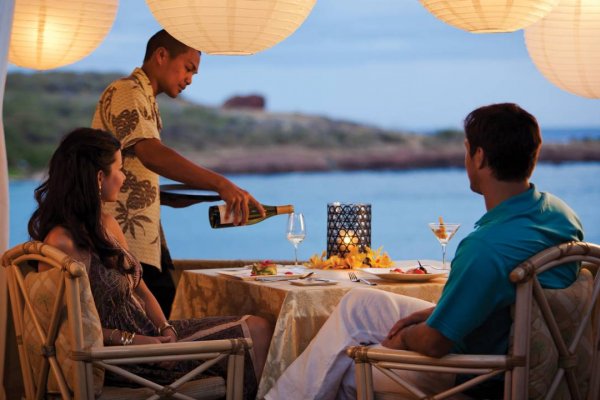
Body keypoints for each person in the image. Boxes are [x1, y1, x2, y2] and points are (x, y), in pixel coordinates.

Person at [265, 103, 584, 400]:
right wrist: (438, 312)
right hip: (520, 353)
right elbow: (503, 300)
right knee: (358, 304)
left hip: (479, 374)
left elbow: (435, 343)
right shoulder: (560, 215)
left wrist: (406, 338)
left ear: (479, 157)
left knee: (346, 369)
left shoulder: (486, 247)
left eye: (467, 150)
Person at [28, 128, 272, 399]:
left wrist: (165, 328)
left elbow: (140, 289)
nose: (123, 177)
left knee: (257, 327)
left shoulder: (106, 225)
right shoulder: (60, 244)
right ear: (99, 178)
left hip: (149, 336)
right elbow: (68, 328)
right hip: (121, 358)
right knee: (256, 333)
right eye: (119, 169)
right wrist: (137, 341)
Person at [91, 29, 265, 316]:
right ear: (161, 55)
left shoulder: (144, 97)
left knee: (168, 323)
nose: (189, 79)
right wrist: (221, 184)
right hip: (123, 245)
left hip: (142, 244)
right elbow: (151, 153)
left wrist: (173, 196)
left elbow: (136, 170)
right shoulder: (127, 91)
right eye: (188, 68)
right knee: (166, 334)